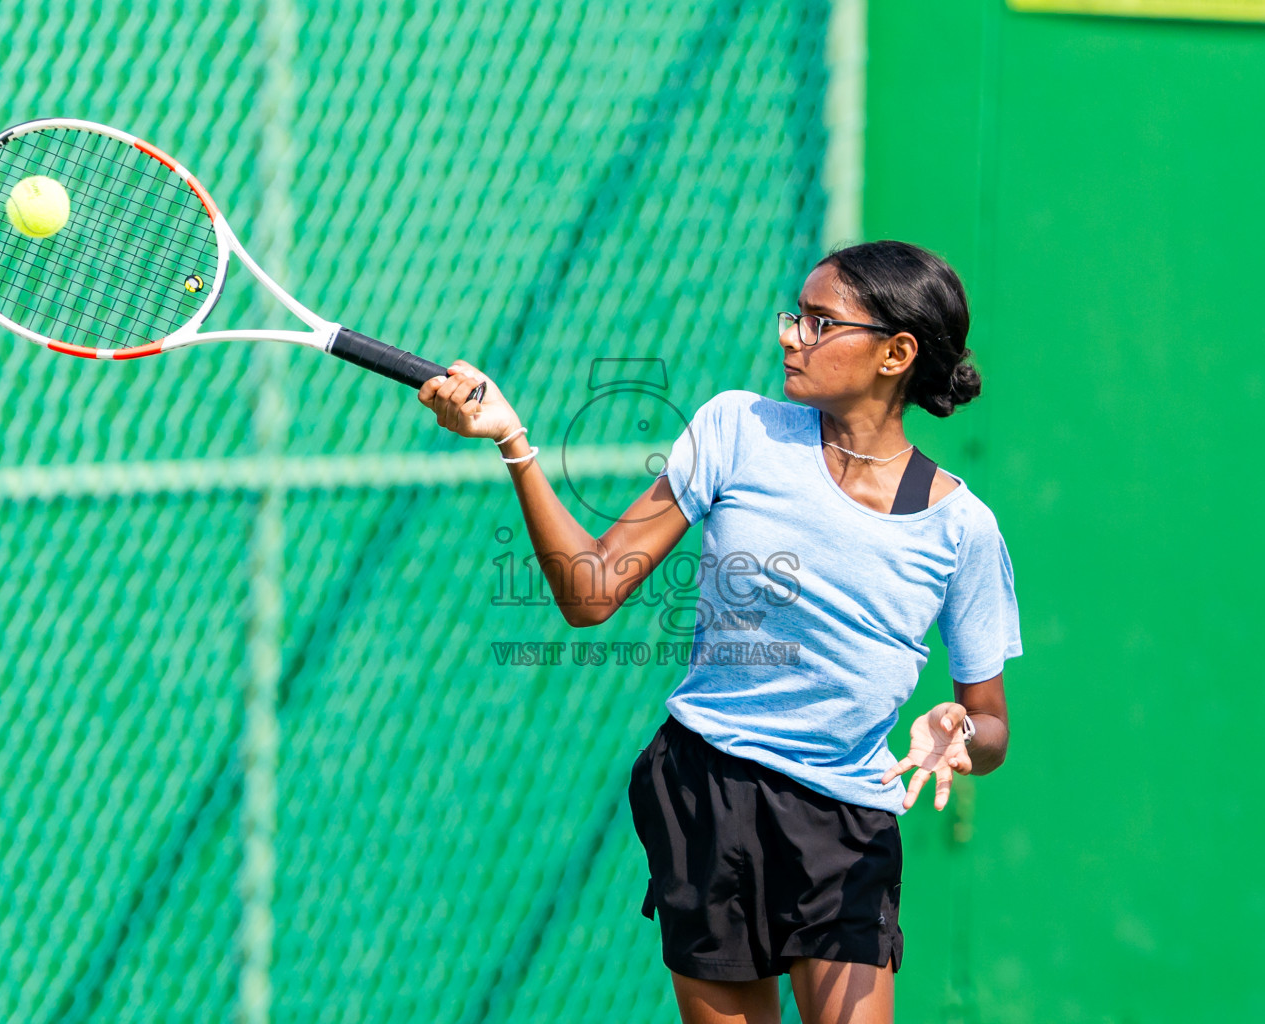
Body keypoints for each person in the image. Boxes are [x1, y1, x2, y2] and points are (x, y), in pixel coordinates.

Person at [419, 240, 1022, 1024]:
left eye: (818, 322)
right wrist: (514, 443)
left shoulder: (963, 530)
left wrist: (961, 730)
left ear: (896, 353)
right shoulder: (737, 428)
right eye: (793, 316)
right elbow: (591, 593)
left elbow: (993, 727)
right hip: (707, 792)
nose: (789, 335)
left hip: (847, 822)